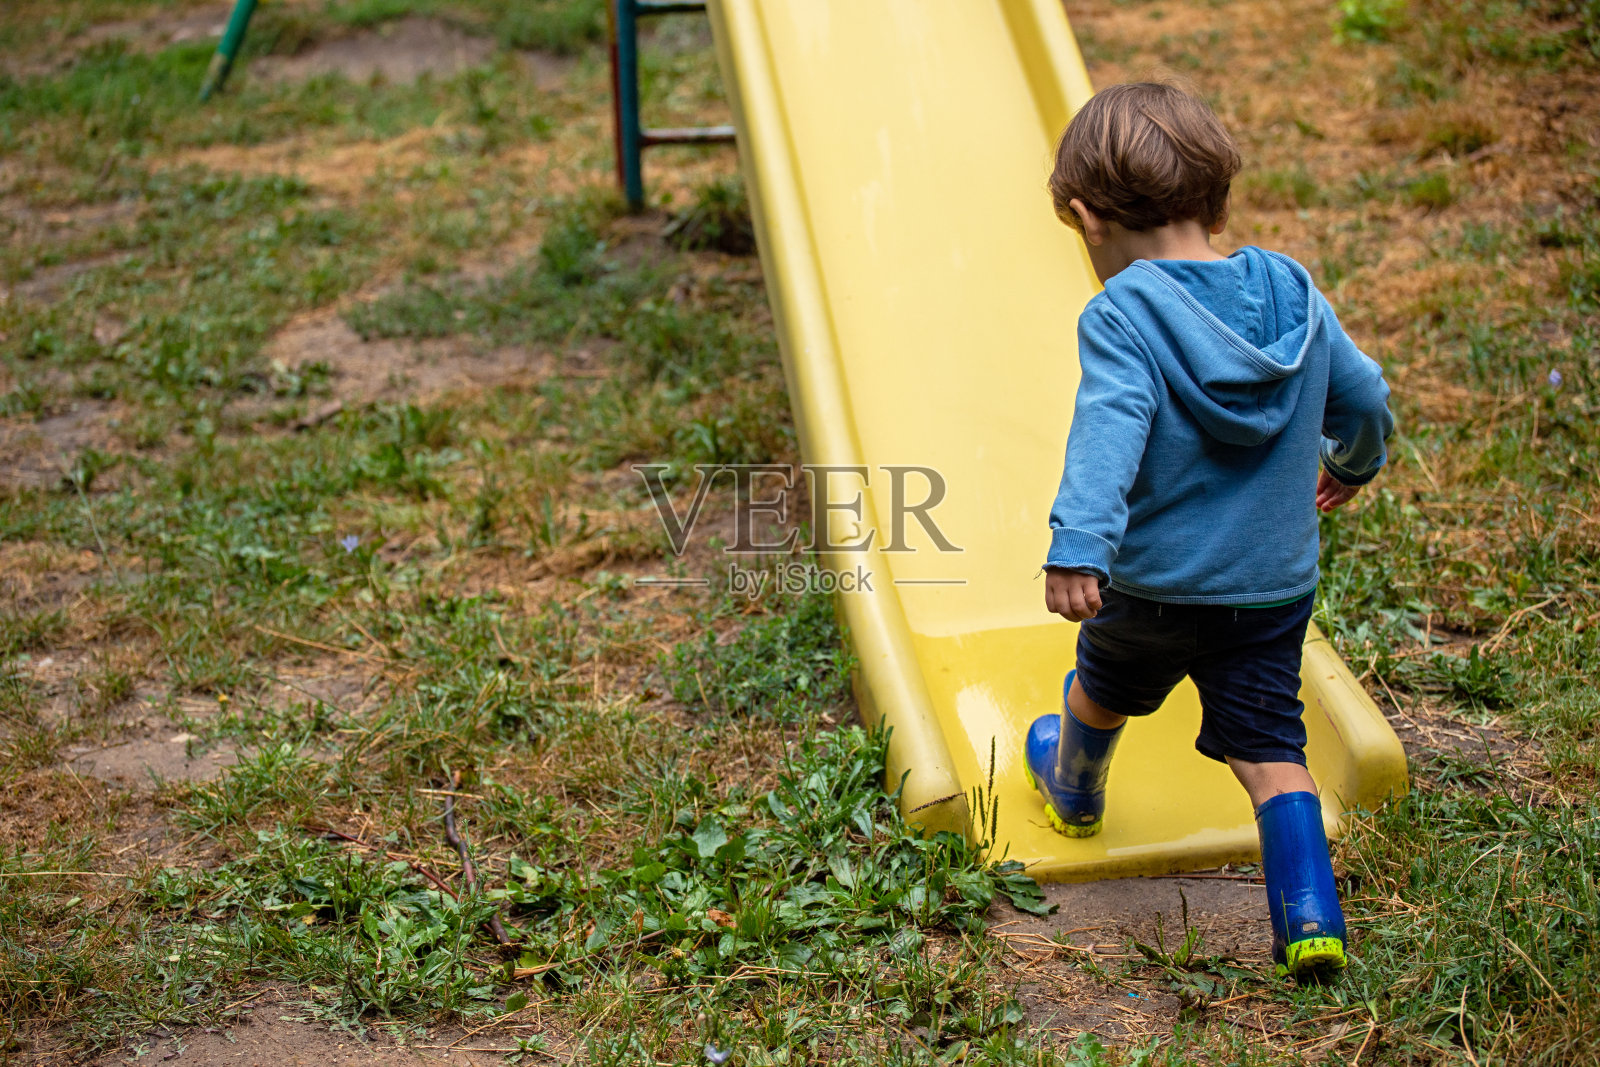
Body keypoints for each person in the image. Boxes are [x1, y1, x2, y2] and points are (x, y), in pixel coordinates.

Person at [1023, 82, 1394, 980]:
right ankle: (1309, 916)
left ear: (1086, 218)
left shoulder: (1122, 313)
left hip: (1152, 588)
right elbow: (1367, 399)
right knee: (1273, 752)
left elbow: (1108, 431)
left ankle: (1073, 787)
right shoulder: (1293, 295)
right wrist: (1352, 463)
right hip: (1269, 590)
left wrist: (1078, 545)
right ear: (1217, 198)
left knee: (1101, 690)